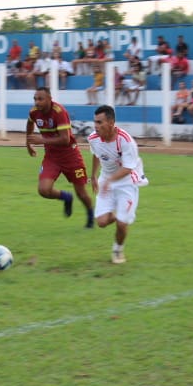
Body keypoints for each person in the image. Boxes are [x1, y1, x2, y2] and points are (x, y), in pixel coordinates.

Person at [25, 87, 94, 228]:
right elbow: (30, 124)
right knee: (43, 190)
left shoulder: (59, 112)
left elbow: (65, 139)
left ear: (50, 99)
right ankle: (66, 197)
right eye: (35, 99)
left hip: (71, 156)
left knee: (81, 193)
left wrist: (41, 141)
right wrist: (28, 144)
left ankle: (90, 214)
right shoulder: (34, 112)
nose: (37, 102)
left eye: (40, 99)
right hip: (52, 157)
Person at [88, 105, 148, 264]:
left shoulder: (126, 141)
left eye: (100, 122)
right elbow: (95, 155)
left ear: (111, 122)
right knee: (101, 222)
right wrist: (93, 176)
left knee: (122, 225)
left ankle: (118, 250)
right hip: (106, 179)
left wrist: (110, 180)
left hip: (126, 182)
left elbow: (128, 168)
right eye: (95, 122)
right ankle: (119, 215)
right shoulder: (93, 138)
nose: (96, 126)